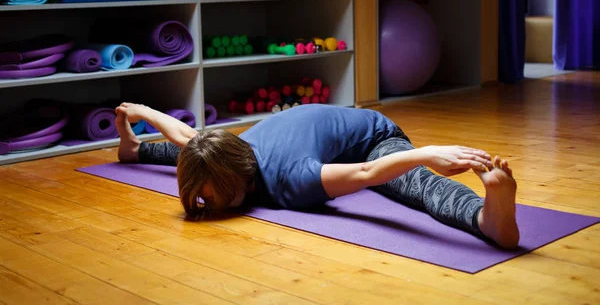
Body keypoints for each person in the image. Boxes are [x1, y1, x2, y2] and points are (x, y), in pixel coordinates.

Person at [114, 102, 520, 249]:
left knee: (414, 184)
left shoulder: (292, 179)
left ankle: (487, 219)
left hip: (372, 139)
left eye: (213, 197)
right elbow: (186, 137)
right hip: (318, 131)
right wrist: (142, 112)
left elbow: (367, 170)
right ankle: (134, 150)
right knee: (189, 154)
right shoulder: (224, 151)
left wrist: (425, 154)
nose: (207, 205)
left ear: (244, 182)